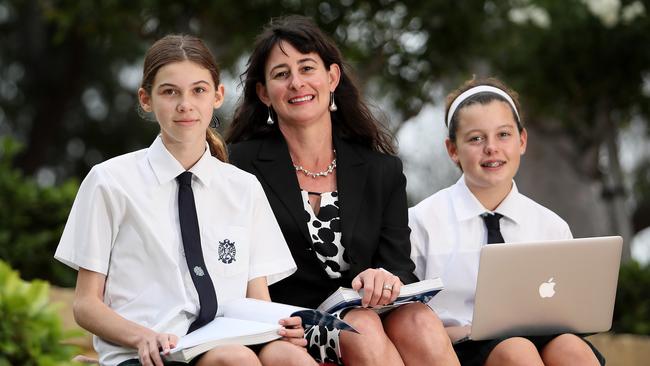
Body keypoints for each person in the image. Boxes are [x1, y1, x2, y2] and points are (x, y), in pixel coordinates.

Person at [54, 34, 317, 366]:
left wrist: (279, 327)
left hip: (226, 341)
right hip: (147, 352)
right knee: (235, 360)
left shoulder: (244, 188)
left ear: (218, 96)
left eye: (199, 90)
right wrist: (142, 336)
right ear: (146, 99)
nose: (185, 105)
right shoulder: (110, 181)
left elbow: (256, 301)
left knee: (291, 357)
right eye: (169, 92)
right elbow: (86, 305)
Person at [226, 15, 458, 366]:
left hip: (366, 308)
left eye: (307, 68)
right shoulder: (238, 166)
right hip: (288, 323)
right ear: (264, 93)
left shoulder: (382, 169)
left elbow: (400, 266)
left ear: (332, 77)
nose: (296, 83)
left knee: (419, 318)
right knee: (360, 326)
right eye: (281, 74)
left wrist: (385, 277)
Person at [408, 77, 605, 366]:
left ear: (522, 140)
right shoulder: (422, 221)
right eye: (476, 138)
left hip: (540, 337)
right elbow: (407, 320)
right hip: (460, 346)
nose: (491, 148)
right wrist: (459, 332)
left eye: (503, 135)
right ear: (452, 150)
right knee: (517, 352)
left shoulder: (551, 226)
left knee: (572, 350)